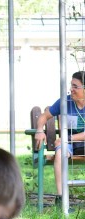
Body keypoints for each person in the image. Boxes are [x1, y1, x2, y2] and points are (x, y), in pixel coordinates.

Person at [34, 71, 85, 199]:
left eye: (75, 86)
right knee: (60, 154)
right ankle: (61, 198)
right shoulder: (64, 101)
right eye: (71, 85)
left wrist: (67, 138)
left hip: (70, 140)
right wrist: (40, 130)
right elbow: (44, 116)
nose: (71, 89)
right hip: (67, 144)